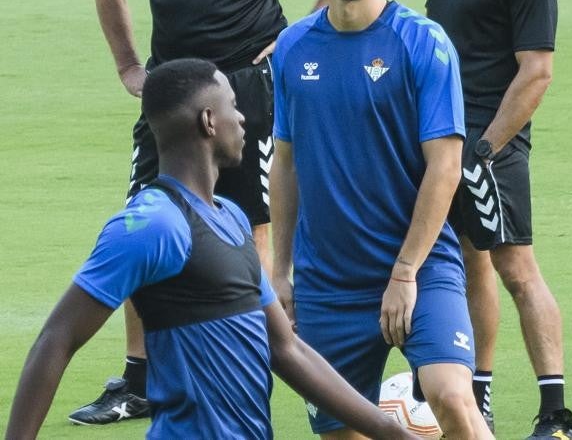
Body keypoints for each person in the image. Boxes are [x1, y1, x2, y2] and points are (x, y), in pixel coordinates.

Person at [7, 59, 421, 439]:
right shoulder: (154, 224)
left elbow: (286, 348)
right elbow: (57, 336)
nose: (242, 119)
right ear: (208, 120)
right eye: (233, 107)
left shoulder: (231, 218)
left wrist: (389, 430)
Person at [81, 0, 323, 424]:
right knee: (145, 215)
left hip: (246, 90)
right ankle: (137, 379)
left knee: (253, 224)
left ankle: (264, 356)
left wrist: (300, 37)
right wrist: (130, 65)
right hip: (173, 90)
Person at [268, 0, 493, 439]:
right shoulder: (293, 48)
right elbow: (287, 163)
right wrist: (281, 269)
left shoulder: (422, 42)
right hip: (328, 283)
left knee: (451, 396)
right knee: (343, 430)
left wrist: (404, 273)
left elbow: (445, 167)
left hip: (419, 266)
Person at [425, 0, 572, 440]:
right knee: (469, 265)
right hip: (443, 141)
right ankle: (478, 397)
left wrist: (486, 147)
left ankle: (555, 413)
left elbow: (536, 72)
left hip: (493, 144)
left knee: (517, 267)